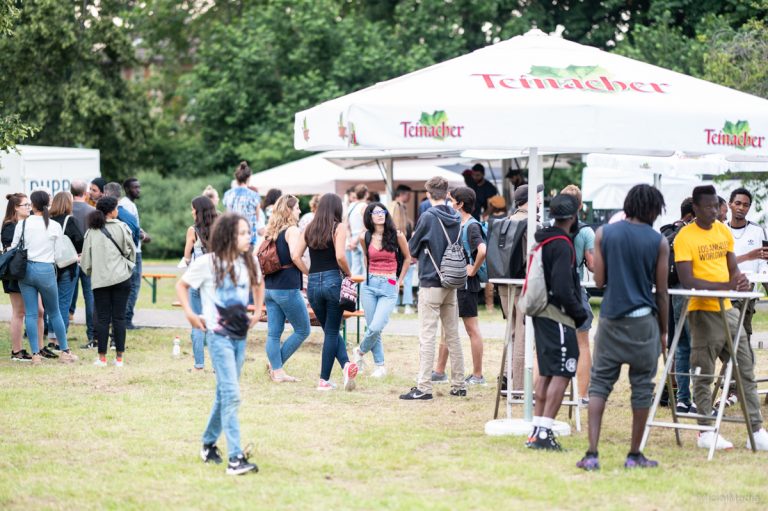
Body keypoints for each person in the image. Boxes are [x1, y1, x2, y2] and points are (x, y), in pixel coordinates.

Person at [576, 184, 669, 471]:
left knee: (600, 385)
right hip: (643, 322)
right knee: (642, 387)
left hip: (611, 319)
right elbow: (662, 292)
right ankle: (634, 455)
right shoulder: (659, 241)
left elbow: (600, 281)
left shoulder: (604, 234)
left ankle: (592, 453)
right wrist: (663, 331)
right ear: (653, 209)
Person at [674, 184, 768, 451]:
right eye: (708, 207)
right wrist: (725, 286)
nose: (715, 211)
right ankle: (705, 431)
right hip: (702, 311)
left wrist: (738, 280)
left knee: (745, 367)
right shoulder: (685, 237)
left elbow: (732, 267)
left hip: (728, 309)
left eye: (717, 205)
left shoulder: (722, 231)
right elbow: (687, 279)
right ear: (695, 208)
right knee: (703, 372)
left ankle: (756, 430)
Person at [176, 213, 265, 476]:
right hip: (218, 337)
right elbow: (182, 286)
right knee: (232, 394)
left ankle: (207, 443)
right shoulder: (207, 262)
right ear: (227, 236)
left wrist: (258, 311)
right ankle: (236, 458)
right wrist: (190, 314)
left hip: (240, 335)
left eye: (248, 232)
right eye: (241, 233)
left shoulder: (250, 261)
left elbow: (259, 284)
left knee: (224, 393)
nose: (247, 237)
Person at [526, 193, 587, 450]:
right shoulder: (562, 244)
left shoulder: (544, 240)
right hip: (558, 315)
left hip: (541, 313)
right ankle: (544, 431)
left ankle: (537, 430)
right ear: (574, 216)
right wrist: (579, 312)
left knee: (549, 372)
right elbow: (562, 287)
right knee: (563, 371)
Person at [400, 176, 466, 400]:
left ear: (428, 194)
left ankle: (424, 387)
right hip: (451, 280)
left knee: (427, 335)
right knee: (453, 335)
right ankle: (459, 384)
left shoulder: (427, 216)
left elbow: (413, 249)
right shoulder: (456, 216)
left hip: (431, 280)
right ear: (447, 193)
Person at [298, 194, 359, 391]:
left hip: (314, 284)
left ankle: (346, 365)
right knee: (332, 330)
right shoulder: (338, 227)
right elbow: (340, 256)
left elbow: (295, 255)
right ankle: (323, 380)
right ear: (337, 208)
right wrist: (349, 274)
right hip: (333, 281)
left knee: (329, 330)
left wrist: (309, 273)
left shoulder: (309, 227)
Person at [11, 190, 78, 364]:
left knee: (31, 314)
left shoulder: (23, 224)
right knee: (54, 312)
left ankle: (35, 355)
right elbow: (57, 255)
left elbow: (13, 247)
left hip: (25, 271)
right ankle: (64, 351)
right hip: (46, 269)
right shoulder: (54, 226)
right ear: (47, 204)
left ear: (32, 205)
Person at [434, 187, 487, 385]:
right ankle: (439, 371)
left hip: (466, 283)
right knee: (447, 328)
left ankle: (478, 375)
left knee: (471, 329)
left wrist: (473, 269)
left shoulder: (472, 226)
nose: (449, 203)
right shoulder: (459, 223)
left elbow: (482, 250)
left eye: (452, 200)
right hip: (457, 281)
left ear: (460, 204)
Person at [354, 202, 411, 378]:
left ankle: (360, 352)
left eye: (382, 211)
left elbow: (408, 258)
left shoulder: (397, 235)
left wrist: (399, 281)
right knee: (372, 327)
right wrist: (367, 275)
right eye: (375, 212)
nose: (380, 215)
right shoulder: (365, 237)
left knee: (377, 325)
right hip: (369, 285)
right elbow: (365, 256)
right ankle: (380, 366)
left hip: (389, 284)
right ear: (369, 217)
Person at [260, 195, 310, 383]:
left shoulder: (271, 230)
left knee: (273, 333)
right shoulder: (292, 230)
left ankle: (277, 370)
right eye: (297, 207)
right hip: (287, 288)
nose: (299, 210)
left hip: (270, 287)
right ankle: (276, 367)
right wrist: (308, 273)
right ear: (289, 210)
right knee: (303, 330)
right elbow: (295, 256)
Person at [81, 197, 136, 367]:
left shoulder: (91, 231)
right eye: (116, 208)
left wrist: (93, 272)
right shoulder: (122, 227)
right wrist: (128, 267)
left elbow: (85, 261)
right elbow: (130, 251)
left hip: (100, 280)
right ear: (112, 211)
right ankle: (119, 358)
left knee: (102, 319)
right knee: (119, 318)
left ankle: (102, 358)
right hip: (122, 278)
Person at [560, 185, 595, 406]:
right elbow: (592, 266)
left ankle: (540, 393)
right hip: (576, 289)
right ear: (580, 206)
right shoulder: (585, 232)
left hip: (551, 291)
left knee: (547, 343)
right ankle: (582, 395)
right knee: (583, 344)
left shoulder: (548, 227)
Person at [661, 198, 696, 414]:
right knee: (694, 346)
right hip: (690, 293)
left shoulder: (668, 231)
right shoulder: (690, 234)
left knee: (680, 345)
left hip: (673, 293)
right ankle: (690, 398)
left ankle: (681, 397)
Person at [2, 193, 43, 362]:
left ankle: (39, 349)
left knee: (40, 311)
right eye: (25, 205)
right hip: (15, 273)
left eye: (29, 204)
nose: (28, 207)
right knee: (19, 312)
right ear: (15, 208)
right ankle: (16, 351)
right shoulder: (10, 226)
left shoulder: (30, 222)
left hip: (30, 271)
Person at [183, 196, 218, 372]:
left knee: (197, 321)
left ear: (198, 211)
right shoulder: (221, 226)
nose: (191, 212)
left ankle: (199, 365)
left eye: (193, 209)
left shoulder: (193, 230)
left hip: (197, 281)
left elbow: (187, 257)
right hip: (216, 280)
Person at [49, 191, 85, 340]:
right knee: (63, 303)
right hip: (67, 266)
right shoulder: (70, 220)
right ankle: (59, 340)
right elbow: (80, 241)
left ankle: (50, 337)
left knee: (51, 303)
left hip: (50, 266)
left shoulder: (47, 220)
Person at [120, 177, 150, 330]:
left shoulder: (130, 204)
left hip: (134, 249)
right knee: (133, 286)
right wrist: (143, 236)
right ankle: (126, 320)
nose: (138, 190)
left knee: (132, 286)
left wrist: (142, 233)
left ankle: (126, 318)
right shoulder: (126, 204)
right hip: (133, 251)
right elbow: (127, 228)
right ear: (127, 189)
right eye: (135, 187)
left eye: (139, 187)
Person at [69, 180, 96, 348]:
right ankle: (92, 336)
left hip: (68, 259)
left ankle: (57, 337)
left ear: (71, 192)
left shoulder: (65, 210)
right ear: (85, 192)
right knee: (90, 298)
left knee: (64, 298)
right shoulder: (92, 211)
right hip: (88, 259)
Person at [388, 185, 415, 314]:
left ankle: (394, 305)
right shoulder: (408, 225)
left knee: (393, 280)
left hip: (393, 258)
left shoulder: (388, 229)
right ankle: (408, 305)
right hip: (406, 256)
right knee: (408, 280)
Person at [222, 161, 262, 246]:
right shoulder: (254, 195)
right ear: (249, 178)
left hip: (232, 234)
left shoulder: (228, 194)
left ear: (236, 179)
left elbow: (227, 214)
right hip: (249, 236)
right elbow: (257, 218)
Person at [482, 195, 507, 312]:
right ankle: (504, 304)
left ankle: (489, 306)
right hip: (505, 251)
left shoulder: (488, 219)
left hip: (491, 251)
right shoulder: (508, 219)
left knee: (489, 280)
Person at [345, 184, 368, 276]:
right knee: (365, 267)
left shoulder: (351, 206)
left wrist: (350, 240)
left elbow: (346, 225)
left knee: (355, 268)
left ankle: (353, 290)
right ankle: (363, 290)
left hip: (352, 238)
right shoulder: (364, 206)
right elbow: (365, 225)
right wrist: (356, 240)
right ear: (366, 194)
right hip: (362, 237)